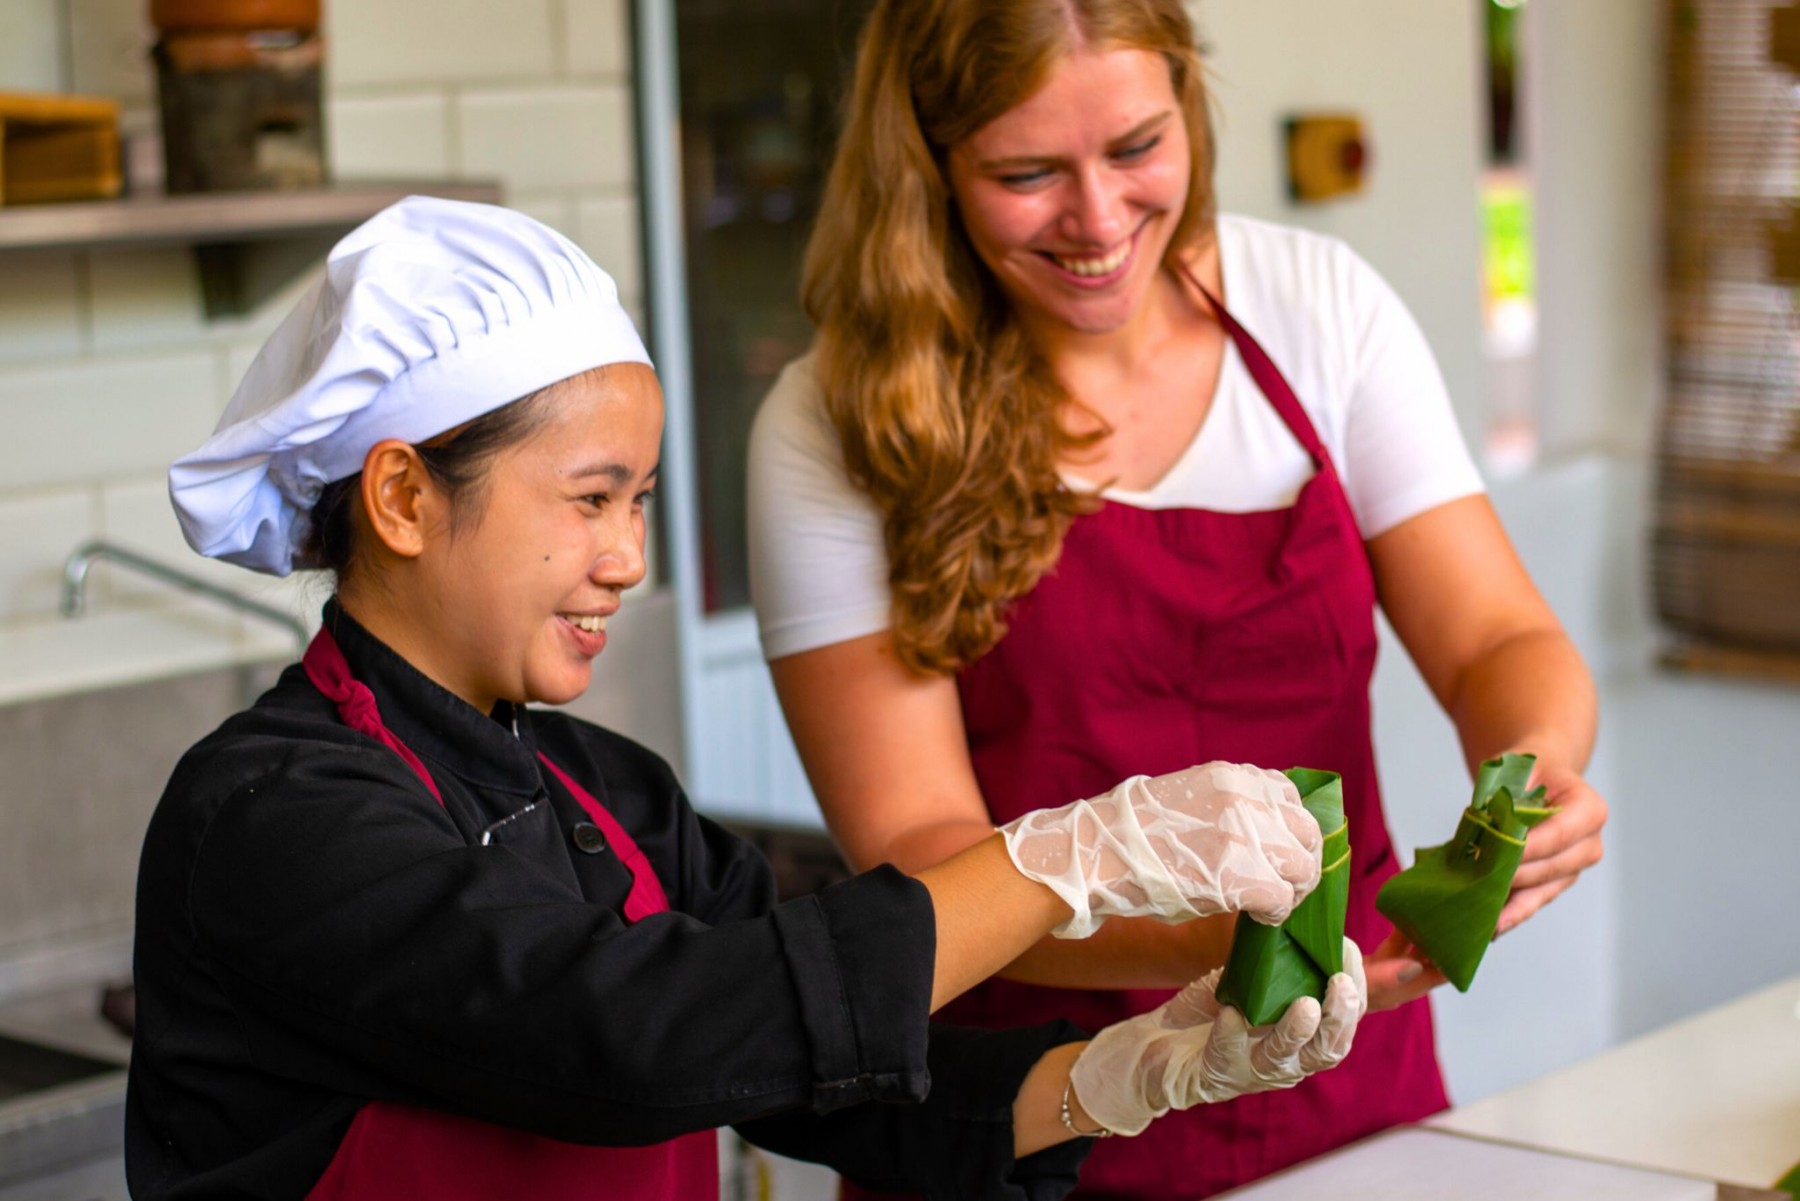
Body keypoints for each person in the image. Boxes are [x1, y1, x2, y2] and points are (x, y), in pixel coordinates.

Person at [127, 197, 1369, 1201]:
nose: (629, 559)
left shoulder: (604, 792)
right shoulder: (269, 813)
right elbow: (639, 1039)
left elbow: (815, 1073)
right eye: (590, 496)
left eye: (641, 499)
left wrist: (1127, 1072)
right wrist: (1080, 853)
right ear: (401, 499)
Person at [745, 1, 1610, 1196]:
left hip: (1344, 1066)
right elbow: (919, 847)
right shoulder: (831, 420)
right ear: (927, 161)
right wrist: (1236, 940)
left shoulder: (1318, 310)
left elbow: (1496, 639)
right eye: (1027, 171)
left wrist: (1536, 772)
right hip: (1030, 1109)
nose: (1098, 221)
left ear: (1190, 104)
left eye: (1139, 147)